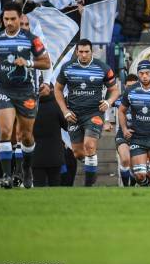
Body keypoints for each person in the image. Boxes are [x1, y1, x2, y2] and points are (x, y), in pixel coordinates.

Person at [0, 2, 51, 189]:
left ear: (20, 18)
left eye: (12, 19)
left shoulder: (31, 39)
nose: (9, 22)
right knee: (5, 131)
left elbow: (46, 62)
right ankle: (6, 176)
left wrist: (28, 62)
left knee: (25, 135)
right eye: (6, 19)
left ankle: (25, 169)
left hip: (26, 91)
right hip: (4, 90)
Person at [54, 39, 120, 187]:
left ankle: (88, 186)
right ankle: (92, 166)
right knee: (77, 152)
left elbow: (115, 90)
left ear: (92, 52)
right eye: (81, 52)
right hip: (73, 114)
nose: (83, 55)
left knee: (89, 145)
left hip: (94, 113)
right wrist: (65, 111)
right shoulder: (67, 67)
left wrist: (108, 102)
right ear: (77, 52)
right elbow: (57, 90)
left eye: (87, 52)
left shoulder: (103, 68)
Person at [32, 83, 66, 187]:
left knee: (39, 185)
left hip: (36, 153)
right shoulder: (57, 105)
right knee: (55, 185)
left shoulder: (29, 105)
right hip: (54, 153)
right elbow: (66, 125)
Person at [112, 74, 138, 187]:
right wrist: (107, 121)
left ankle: (131, 186)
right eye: (128, 86)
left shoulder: (144, 98)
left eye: (134, 86)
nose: (131, 89)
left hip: (139, 136)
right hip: (122, 134)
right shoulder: (119, 99)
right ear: (124, 86)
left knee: (134, 166)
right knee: (125, 159)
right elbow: (106, 105)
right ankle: (125, 187)